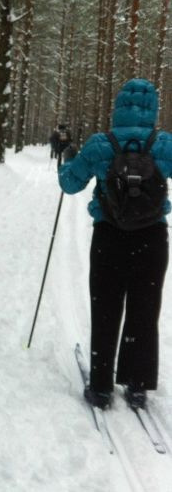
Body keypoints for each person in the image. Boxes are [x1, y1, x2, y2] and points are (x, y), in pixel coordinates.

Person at [58, 78, 172, 410]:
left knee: (106, 308)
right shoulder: (163, 143)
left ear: (118, 106)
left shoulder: (100, 144)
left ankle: (102, 386)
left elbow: (69, 183)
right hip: (152, 238)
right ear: (153, 107)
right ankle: (137, 386)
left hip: (109, 235)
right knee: (144, 309)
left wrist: (69, 157)